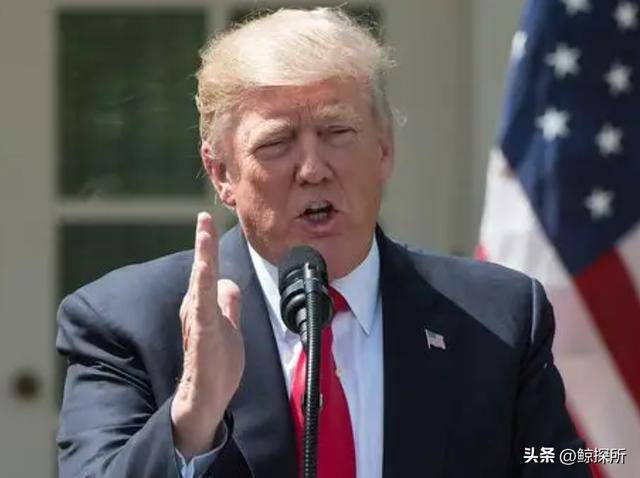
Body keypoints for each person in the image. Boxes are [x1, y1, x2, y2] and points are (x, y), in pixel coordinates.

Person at [56, 7, 590, 478]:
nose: (313, 168)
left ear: (384, 149)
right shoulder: (126, 321)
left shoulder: (499, 315)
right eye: (277, 143)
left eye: (337, 133)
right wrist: (193, 417)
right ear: (221, 173)